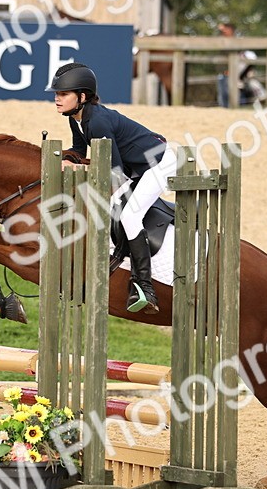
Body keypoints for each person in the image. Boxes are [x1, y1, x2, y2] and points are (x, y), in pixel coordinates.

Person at [48, 61, 175, 314]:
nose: (57, 99)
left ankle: (144, 286)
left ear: (82, 97)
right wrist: (68, 159)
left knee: (129, 214)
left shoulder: (99, 122)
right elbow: (78, 150)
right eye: (56, 94)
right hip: (137, 167)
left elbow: (113, 174)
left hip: (158, 164)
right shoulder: (77, 119)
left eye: (63, 94)